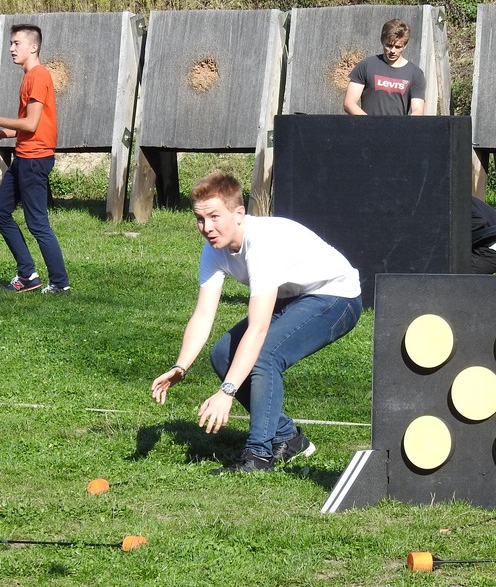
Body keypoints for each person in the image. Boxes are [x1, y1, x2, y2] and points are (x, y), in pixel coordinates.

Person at [151, 173, 363, 474]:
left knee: (264, 355)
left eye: (214, 217)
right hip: (293, 295)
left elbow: (258, 329)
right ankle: (288, 438)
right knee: (223, 354)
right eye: (200, 219)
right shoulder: (213, 249)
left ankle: (258, 457)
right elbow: (203, 314)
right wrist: (180, 366)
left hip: (336, 297)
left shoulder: (261, 244)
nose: (207, 227)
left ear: (239, 214)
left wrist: (227, 391)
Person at [0, 24, 70, 294]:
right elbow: (28, 127)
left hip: (35, 160)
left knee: (38, 223)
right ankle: (28, 274)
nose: (11, 48)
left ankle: (60, 283)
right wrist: (1, 133)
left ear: (33, 47)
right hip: (23, 158)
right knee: (0, 212)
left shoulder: (38, 76)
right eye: (11, 43)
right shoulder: (30, 77)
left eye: (17, 43)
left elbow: (30, 123)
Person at [343, 18, 427, 116]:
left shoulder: (416, 74)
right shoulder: (366, 65)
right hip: (367, 125)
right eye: (389, 45)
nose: (393, 51)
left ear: (405, 45)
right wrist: (369, 122)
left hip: (398, 126)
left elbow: (418, 111)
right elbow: (349, 103)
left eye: (398, 47)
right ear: (382, 41)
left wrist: (403, 125)